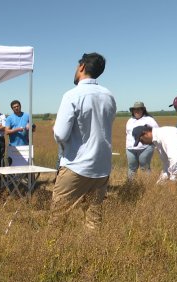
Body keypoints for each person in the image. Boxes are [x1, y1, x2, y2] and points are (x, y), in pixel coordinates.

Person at [51, 52, 117, 230]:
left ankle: (52, 254)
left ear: (81, 67)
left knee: (58, 219)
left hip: (76, 165)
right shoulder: (109, 96)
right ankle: (91, 255)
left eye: (76, 66)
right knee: (93, 220)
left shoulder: (72, 95)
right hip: (102, 166)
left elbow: (60, 134)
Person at [125, 101, 159, 180]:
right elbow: (127, 133)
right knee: (132, 168)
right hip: (130, 148)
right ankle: (130, 186)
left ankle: (148, 186)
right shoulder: (130, 120)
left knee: (144, 167)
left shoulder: (149, 120)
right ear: (132, 111)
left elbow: (157, 132)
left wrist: (154, 145)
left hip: (145, 148)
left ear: (143, 110)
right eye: (135, 109)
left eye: (139, 109)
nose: (137, 111)